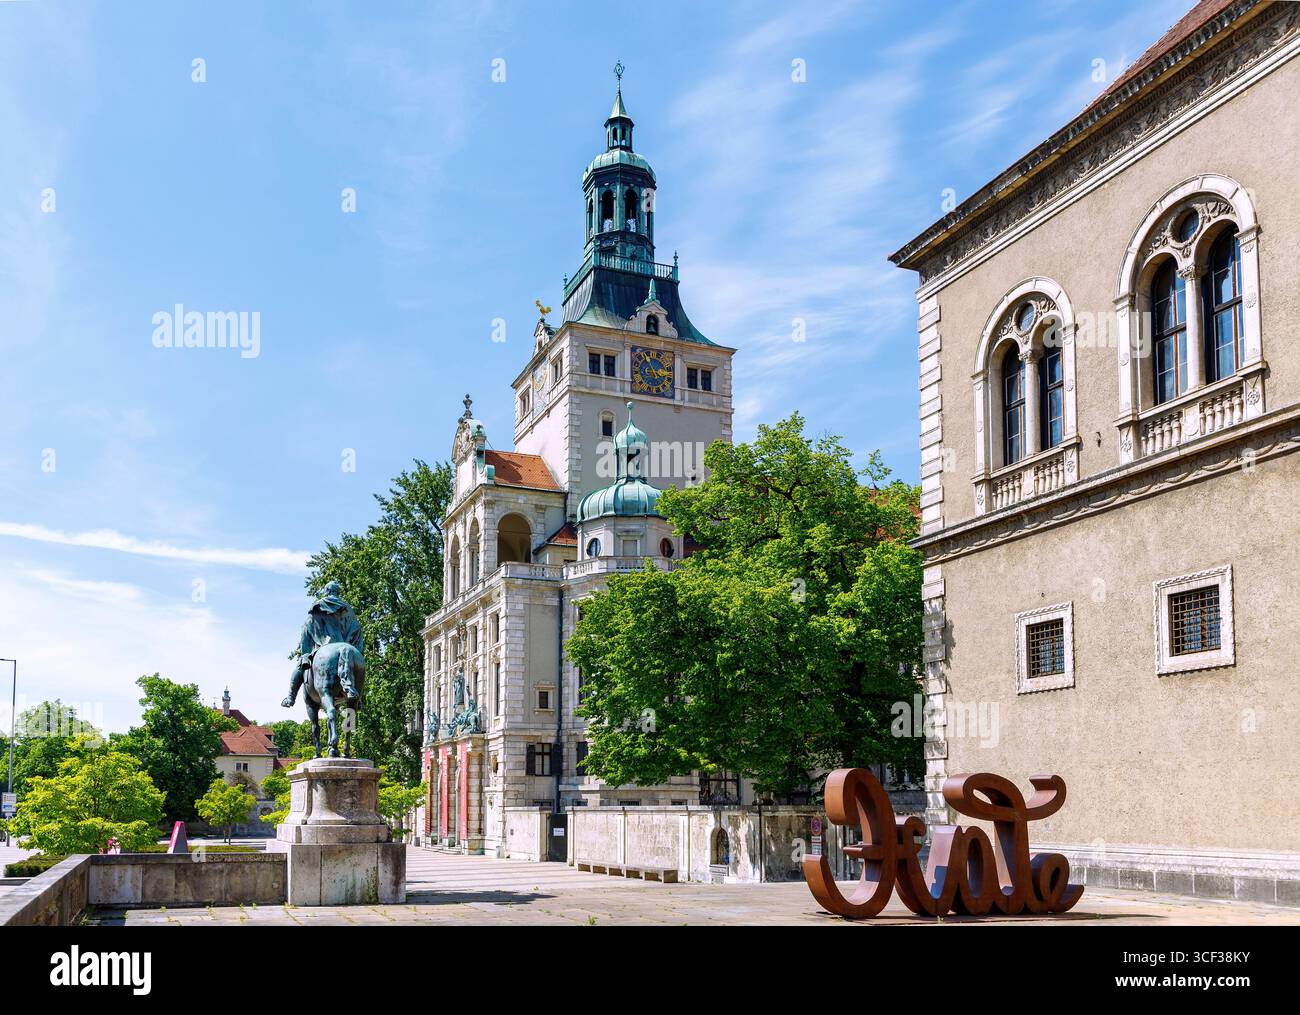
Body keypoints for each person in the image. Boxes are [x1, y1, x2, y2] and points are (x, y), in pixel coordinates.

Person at [282, 581, 364, 707]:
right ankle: (358, 700)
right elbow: (357, 628)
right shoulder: (349, 610)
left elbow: (307, 628)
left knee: (300, 667)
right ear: (338, 592)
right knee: (358, 669)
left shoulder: (317, 607)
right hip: (349, 647)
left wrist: (305, 653)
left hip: (324, 648)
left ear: (326, 591)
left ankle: (290, 697)